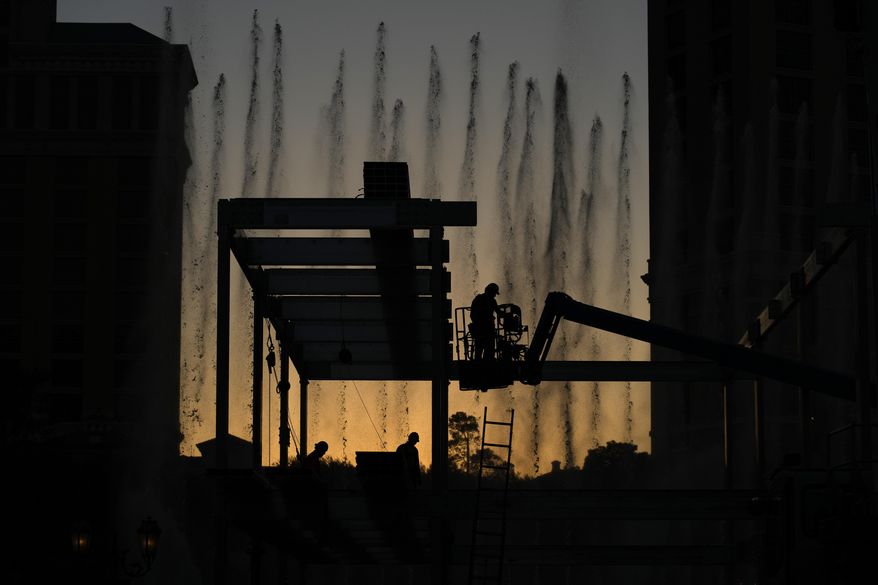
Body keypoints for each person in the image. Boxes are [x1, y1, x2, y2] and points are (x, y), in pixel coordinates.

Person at [470, 283, 500, 361]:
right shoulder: (491, 300)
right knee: (488, 349)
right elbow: (499, 312)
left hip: (479, 329)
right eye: (494, 293)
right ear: (491, 291)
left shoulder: (478, 299)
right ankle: (486, 365)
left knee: (479, 350)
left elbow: (472, 314)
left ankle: (479, 365)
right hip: (486, 329)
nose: (495, 295)